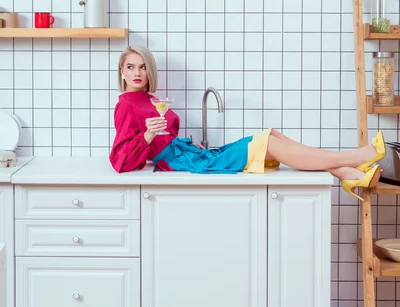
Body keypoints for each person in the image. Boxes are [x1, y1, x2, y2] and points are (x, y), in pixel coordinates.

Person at [110, 45, 385, 201]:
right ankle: (356, 158)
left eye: (143, 66)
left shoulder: (151, 98)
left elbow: (165, 137)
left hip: (189, 154)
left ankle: (347, 173)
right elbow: (120, 161)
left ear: (150, 70)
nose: (138, 72)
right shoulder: (126, 104)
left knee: (271, 134)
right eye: (131, 67)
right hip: (185, 163)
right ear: (122, 71)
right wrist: (146, 136)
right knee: (266, 143)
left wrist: (184, 142)